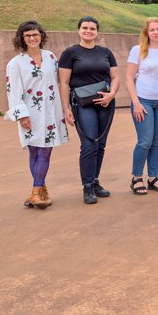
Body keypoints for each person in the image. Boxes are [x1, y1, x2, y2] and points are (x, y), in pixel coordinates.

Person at [5, 21, 69, 209]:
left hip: (51, 111)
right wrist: (22, 115)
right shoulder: (15, 63)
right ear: (22, 39)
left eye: (35, 34)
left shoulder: (50, 57)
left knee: (45, 151)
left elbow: (60, 81)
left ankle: (37, 191)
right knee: (35, 151)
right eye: (28, 36)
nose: (32, 38)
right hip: (30, 113)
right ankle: (37, 191)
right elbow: (13, 91)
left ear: (41, 36)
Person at [58, 16, 119, 205]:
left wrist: (111, 95)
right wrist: (66, 108)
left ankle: (95, 181)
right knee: (89, 144)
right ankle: (87, 186)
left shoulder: (106, 52)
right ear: (79, 30)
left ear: (97, 32)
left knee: (100, 144)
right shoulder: (70, 53)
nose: (88, 31)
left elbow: (115, 77)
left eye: (92, 28)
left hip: (105, 102)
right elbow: (64, 83)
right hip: (82, 104)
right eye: (85, 28)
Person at [126, 17, 158, 196]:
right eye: (152, 29)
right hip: (143, 100)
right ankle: (136, 177)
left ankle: (153, 177)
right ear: (147, 33)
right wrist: (136, 102)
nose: (156, 32)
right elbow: (129, 78)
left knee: (157, 142)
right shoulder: (138, 50)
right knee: (145, 141)